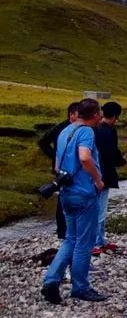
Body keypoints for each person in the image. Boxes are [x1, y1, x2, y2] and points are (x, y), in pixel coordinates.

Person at [40, 98, 108, 304]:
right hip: (84, 192)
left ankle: (51, 281)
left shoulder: (65, 131)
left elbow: (57, 164)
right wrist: (97, 180)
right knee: (84, 242)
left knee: (70, 238)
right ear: (95, 115)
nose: (101, 118)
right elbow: (85, 157)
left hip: (66, 192)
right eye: (100, 114)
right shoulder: (87, 132)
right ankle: (80, 287)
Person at [37, 101, 81, 239]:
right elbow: (42, 141)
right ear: (71, 114)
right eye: (79, 114)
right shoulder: (61, 128)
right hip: (62, 168)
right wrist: (54, 156)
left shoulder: (79, 128)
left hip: (71, 166)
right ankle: (63, 230)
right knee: (63, 196)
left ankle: (70, 228)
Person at [93, 101, 126, 255]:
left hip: (94, 174)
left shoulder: (95, 129)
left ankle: (99, 240)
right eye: (116, 117)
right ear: (113, 116)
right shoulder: (108, 131)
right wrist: (122, 161)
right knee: (100, 210)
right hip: (103, 175)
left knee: (97, 208)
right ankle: (96, 242)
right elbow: (112, 152)